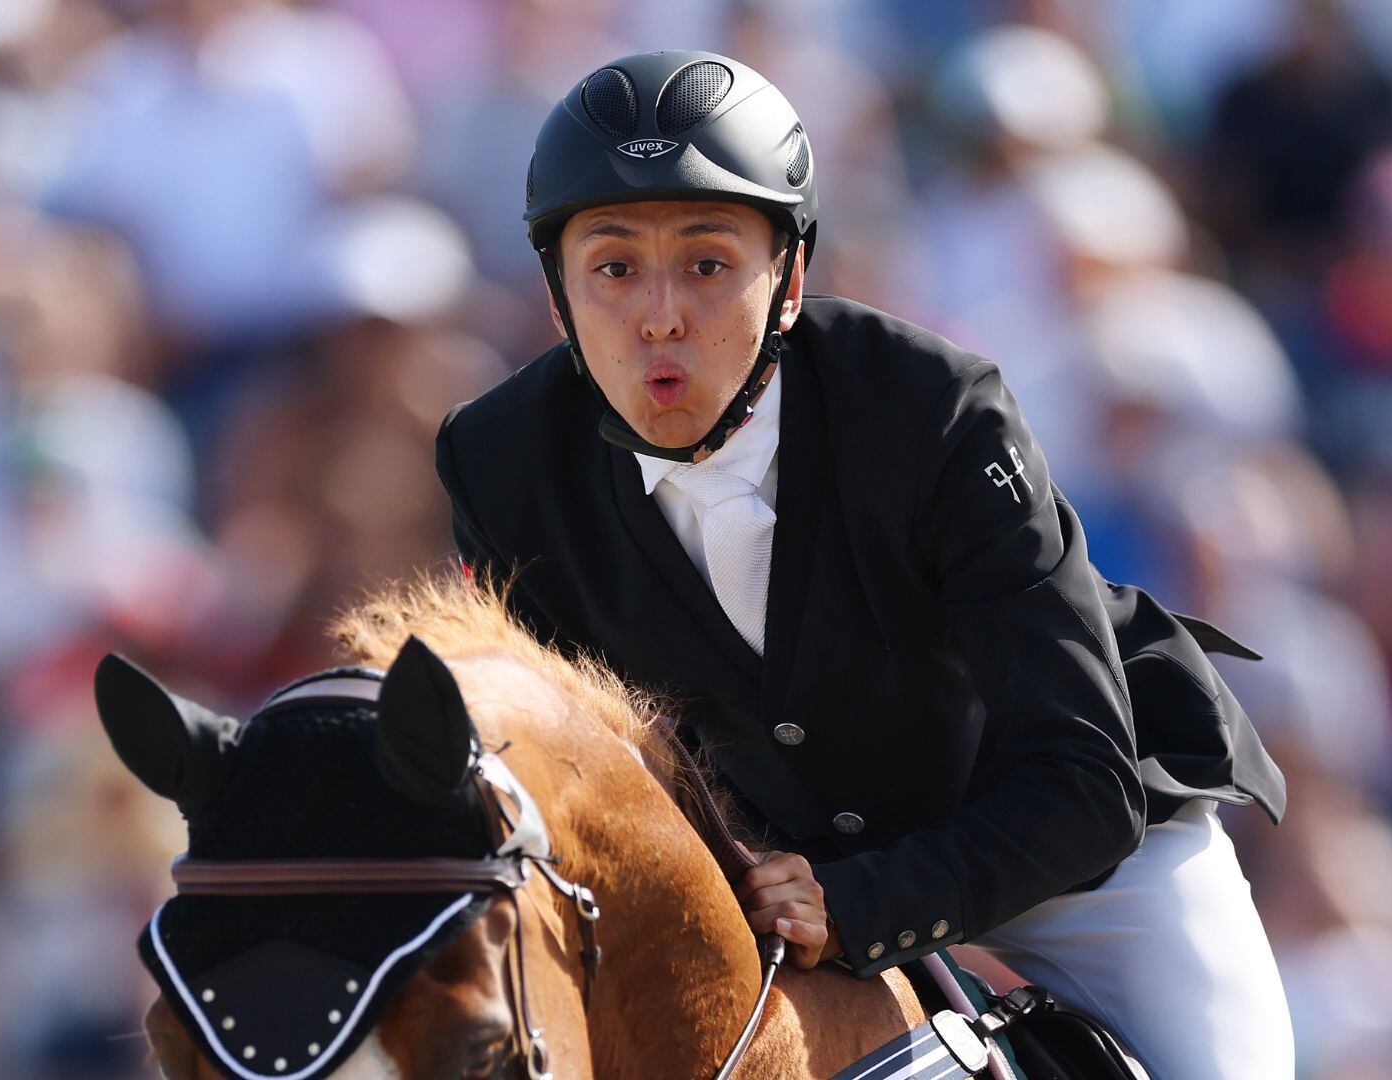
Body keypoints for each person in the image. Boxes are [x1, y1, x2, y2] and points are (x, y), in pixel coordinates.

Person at [436, 50, 1295, 1077]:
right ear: (558, 296)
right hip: (767, 881)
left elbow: (1083, 780)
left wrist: (860, 902)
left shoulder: (932, 408)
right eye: (613, 269)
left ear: (789, 281)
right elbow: (563, 768)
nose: (659, 316)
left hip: (1070, 855)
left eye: (708, 265)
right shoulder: (499, 461)